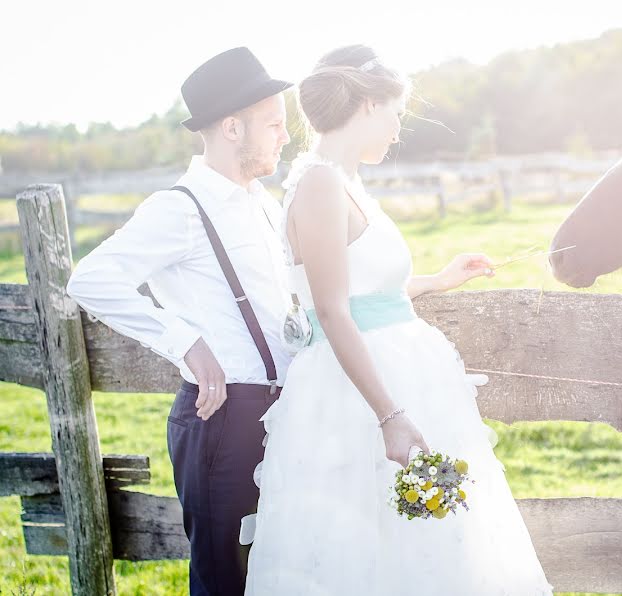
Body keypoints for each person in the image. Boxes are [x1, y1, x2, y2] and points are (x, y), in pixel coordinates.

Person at [242, 44, 554, 595]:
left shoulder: (346, 180)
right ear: (366, 104)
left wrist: (435, 280)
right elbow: (331, 309)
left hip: (397, 373)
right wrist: (389, 414)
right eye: (395, 113)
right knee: (365, 542)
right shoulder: (318, 183)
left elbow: (361, 290)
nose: (397, 128)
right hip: (359, 394)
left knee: (429, 543)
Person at [66, 47, 294, 595]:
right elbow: (89, 279)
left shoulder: (262, 202)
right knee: (224, 578)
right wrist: (184, 341)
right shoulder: (181, 209)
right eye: (275, 124)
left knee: (280, 567)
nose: (285, 137)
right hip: (225, 418)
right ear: (233, 127)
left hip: (285, 410)